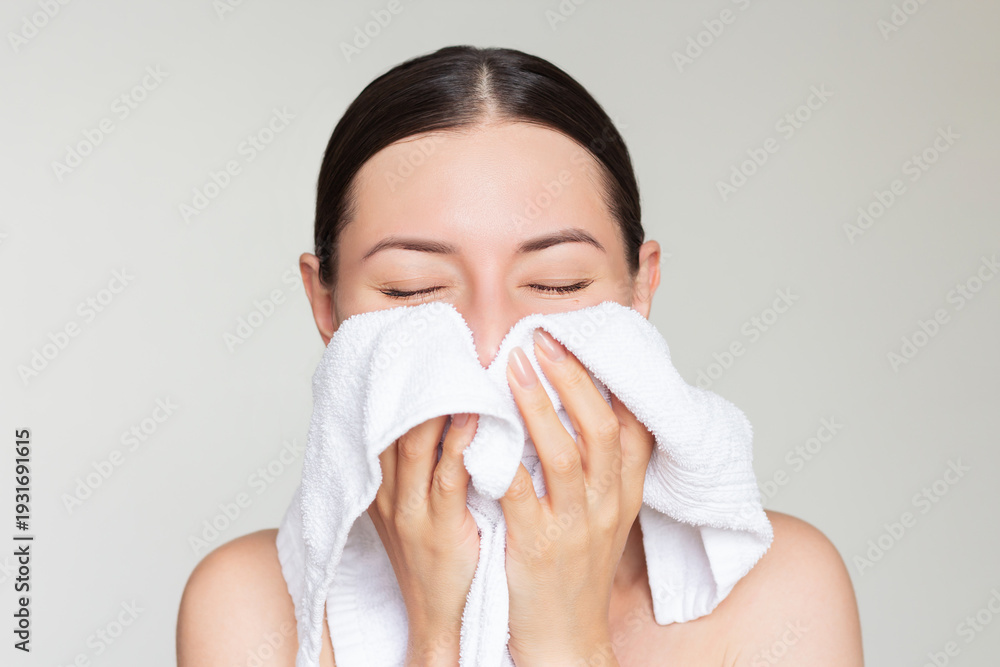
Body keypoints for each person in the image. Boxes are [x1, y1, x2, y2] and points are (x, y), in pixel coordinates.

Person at [177, 45, 864, 666]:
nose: (486, 343)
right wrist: (435, 641)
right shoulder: (247, 607)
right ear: (326, 305)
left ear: (640, 290)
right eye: (413, 289)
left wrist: (566, 644)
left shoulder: (780, 593)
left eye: (557, 283)